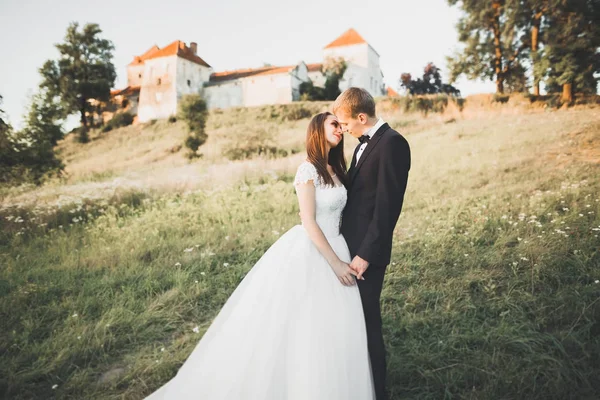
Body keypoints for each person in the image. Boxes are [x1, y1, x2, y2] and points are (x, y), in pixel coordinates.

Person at [143, 112, 374, 400]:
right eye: (333, 125)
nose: (340, 129)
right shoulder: (308, 170)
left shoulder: (336, 169)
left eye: (340, 126)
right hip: (315, 251)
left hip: (339, 244)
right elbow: (309, 221)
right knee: (302, 324)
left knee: (335, 327)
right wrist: (336, 263)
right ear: (317, 130)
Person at [334, 87, 411, 400]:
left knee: (368, 323)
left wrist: (366, 253)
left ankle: (377, 391)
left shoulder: (393, 144)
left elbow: (387, 207)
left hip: (367, 254)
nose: (344, 129)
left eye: (346, 123)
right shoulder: (361, 147)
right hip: (348, 248)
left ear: (361, 117)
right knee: (353, 321)